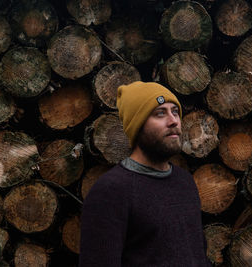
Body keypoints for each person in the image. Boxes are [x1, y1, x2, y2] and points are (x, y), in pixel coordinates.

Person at [79, 81, 211, 267]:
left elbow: (198, 255)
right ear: (137, 125)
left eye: (174, 111)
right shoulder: (111, 191)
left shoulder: (185, 182)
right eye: (160, 113)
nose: (174, 120)